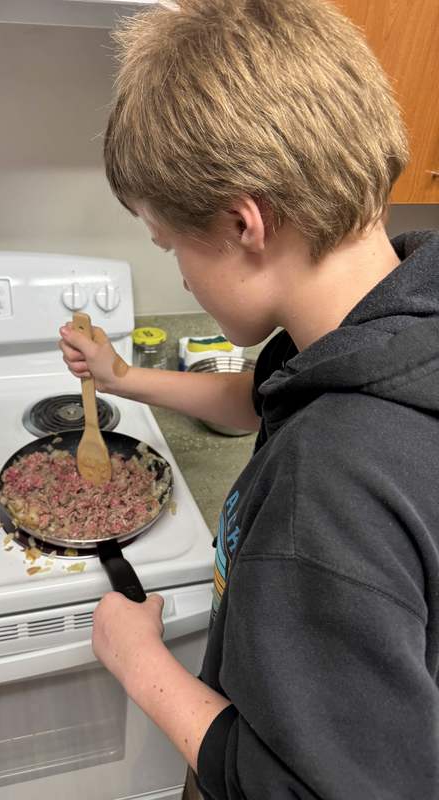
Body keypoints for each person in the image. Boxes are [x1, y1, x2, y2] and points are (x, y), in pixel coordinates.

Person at [59, 0, 439, 797]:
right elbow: (263, 397)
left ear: (242, 222)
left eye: (170, 245)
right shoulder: (395, 317)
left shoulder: (329, 484)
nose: (182, 276)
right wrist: (123, 378)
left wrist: (139, 661)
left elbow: (302, 786)